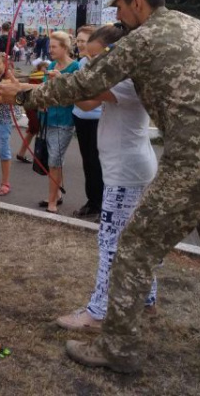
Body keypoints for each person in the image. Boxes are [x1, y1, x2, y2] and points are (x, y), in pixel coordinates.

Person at [0, 0, 200, 374]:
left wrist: (24, 94)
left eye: (119, 6)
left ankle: (118, 349)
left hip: (195, 158)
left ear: (138, 2)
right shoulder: (193, 28)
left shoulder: (144, 39)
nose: (117, 15)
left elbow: (82, 85)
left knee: (133, 247)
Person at [57, 24, 159, 332]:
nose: (92, 65)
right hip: (130, 166)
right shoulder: (121, 77)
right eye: (88, 58)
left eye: (96, 57)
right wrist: (64, 83)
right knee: (134, 239)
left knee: (111, 242)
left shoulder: (127, 79)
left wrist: (59, 83)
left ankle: (98, 313)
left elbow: (83, 91)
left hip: (125, 171)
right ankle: (147, 300)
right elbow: (86, 101)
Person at [40, 31, 79, 213]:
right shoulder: (53, 65)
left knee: (54, 161)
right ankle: (57, 194)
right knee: (54, 159)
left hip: (64, 121)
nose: (50, 50)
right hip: (48, 119)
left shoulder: (75, 67)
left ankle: (52, 200)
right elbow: (44, 89)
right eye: (50, 46)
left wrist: (60, 79)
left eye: (54, 46)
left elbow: (76, 93)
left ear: (65, 48)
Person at [70, 25, 103, 219]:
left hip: (96, 119)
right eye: (78, 40)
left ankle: (102, 204)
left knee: (98, 163)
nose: (79, 43)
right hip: (80, 117)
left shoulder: (102, 65)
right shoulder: (82, 62)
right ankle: (93, 201)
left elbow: (89, 98)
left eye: (84, 40)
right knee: (88, 163)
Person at [0, 52, 17, 196]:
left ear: (5, 64)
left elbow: (1, 98)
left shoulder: (8, 79)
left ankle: (5, 183)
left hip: (3, 119)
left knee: (3, 150)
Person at [15, 62, 47, 163]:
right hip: (31, 106)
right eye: (45, 67)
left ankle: (22, 153)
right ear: (39, 67)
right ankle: (25, 154)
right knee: (34, 129)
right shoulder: (36, 77)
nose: (46, 69)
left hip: (36, 107)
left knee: (32, 131)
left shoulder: (42, 76)